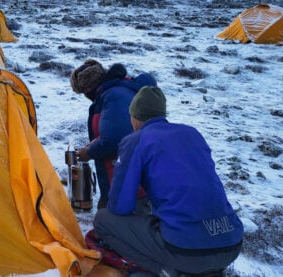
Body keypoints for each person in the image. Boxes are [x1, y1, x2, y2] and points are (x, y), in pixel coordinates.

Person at [93, 86, 244, 276]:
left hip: (186, 252)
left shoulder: (136, 141)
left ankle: (167, 271)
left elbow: (120, 206)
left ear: (134, 116)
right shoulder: (192, 133)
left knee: (103, 220)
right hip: (231, 244)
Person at [70, 59, 156, 208]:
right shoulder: (122, 90)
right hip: (138, 178)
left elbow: (115, 140)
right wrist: (95, 144)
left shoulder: (113, 96)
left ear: (89, 87)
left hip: (128, 186)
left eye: (84, 92)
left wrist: (89, 152)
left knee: (105, 219)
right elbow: (120, 130)